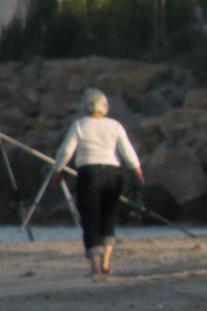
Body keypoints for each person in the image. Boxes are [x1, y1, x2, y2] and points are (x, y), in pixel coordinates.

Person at [48, 88, 143, 280]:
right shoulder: (114, 125)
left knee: (90, 218)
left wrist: (58, 170)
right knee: (109, 216)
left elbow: (66, 150)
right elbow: (127, 152)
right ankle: (107, 262)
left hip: (89, 173)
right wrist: (137, 171)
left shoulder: (80, 125)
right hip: (113, 173)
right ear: (105, 107)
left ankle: (96, 268)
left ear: (85, 106)